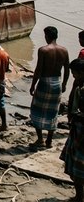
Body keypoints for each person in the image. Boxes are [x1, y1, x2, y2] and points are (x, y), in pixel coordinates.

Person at [29, 26, 70, 148]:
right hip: (57, 81)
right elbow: (67, 69)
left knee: (36, 109)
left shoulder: (43, 50)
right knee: (53, 111)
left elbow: (38, 69)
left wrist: (33, 85)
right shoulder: (64, 50)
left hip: (45, 82)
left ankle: (40, 139)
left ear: (47, 36)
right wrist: (64, 84)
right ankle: (49, 141)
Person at [61, 58, 84, 201]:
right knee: (74, 165)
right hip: (78, 127)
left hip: (81, 131)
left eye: (74, 73)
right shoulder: (79, 87)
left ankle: (80, 197)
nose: (73, 76)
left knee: (78, 168)